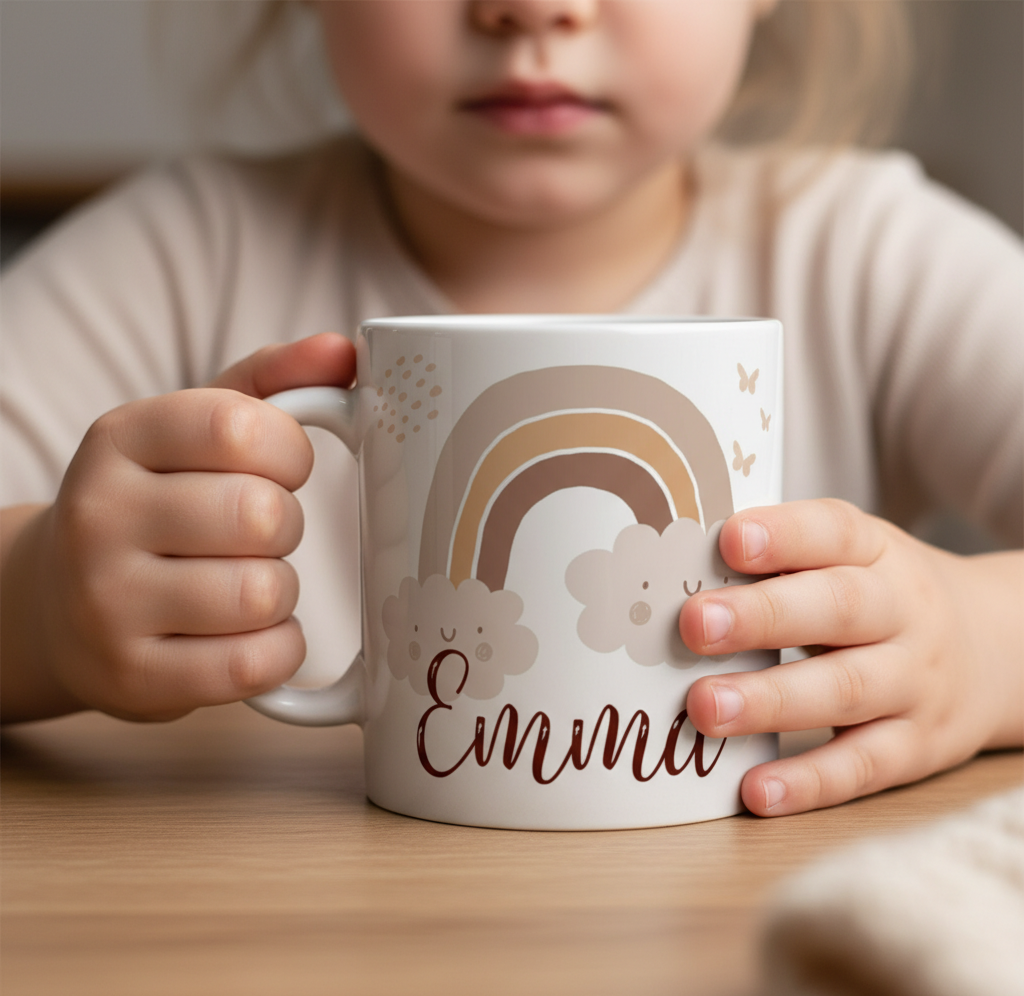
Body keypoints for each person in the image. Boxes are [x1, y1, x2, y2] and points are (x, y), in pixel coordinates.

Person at [1, 1, 1020, 818]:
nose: (533, 10)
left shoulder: (870, 255)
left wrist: (978, 642)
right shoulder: (180, 256)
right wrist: (39, 602)